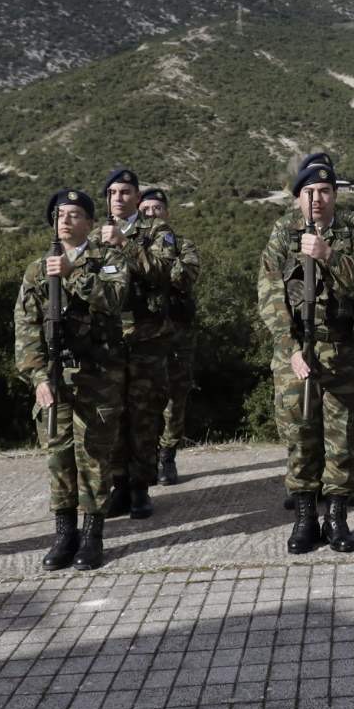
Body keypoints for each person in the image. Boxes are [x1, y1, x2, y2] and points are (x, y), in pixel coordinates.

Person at [258, 161, 354, 553]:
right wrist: (290, 348)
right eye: (309, 192)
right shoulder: (283, 232)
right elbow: (269, 295)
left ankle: (337, 519)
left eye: (325, 191)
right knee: (300, 437)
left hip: (344, 351)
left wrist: (328, 254)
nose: (317, 199)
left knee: (342, 439)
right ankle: (305, 519)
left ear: (335, 195)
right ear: (298, 198)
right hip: (297, 353)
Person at [14, 188, 129, 570]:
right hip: (55, 375)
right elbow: (26, 328)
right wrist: (37, 377)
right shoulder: (37, 270)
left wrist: (73, 273)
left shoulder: (109, 258)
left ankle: (93, 534)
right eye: (60, 214)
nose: (65, 220)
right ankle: (65, 534)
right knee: (59, 455)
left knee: (94, 455)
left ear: (90, 223)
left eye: (75, 214)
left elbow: (115, 298)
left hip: (98, 374)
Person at [101, 167, 190, 520]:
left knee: (144, 415)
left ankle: (140, 488)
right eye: (112, 193)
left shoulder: (157, 231)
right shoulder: (96, 235)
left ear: (137, 198)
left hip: (147, 339)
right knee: (113, 415)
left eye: (125, 192)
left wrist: (125, 245)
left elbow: (166, 272)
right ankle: (118, 485)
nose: (118, 198)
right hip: (109, 341)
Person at [139, 187, 203, 485]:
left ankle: (167, 455)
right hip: (143, 332)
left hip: (177, 332)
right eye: (146, 210)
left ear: (167, 212)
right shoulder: (133, 243)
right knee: (141, 395)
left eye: (157, 208)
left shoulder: (182, 243)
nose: (151, 213)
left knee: (176, 396)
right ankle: (144, 457)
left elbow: (184, 276)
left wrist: (156, 267)